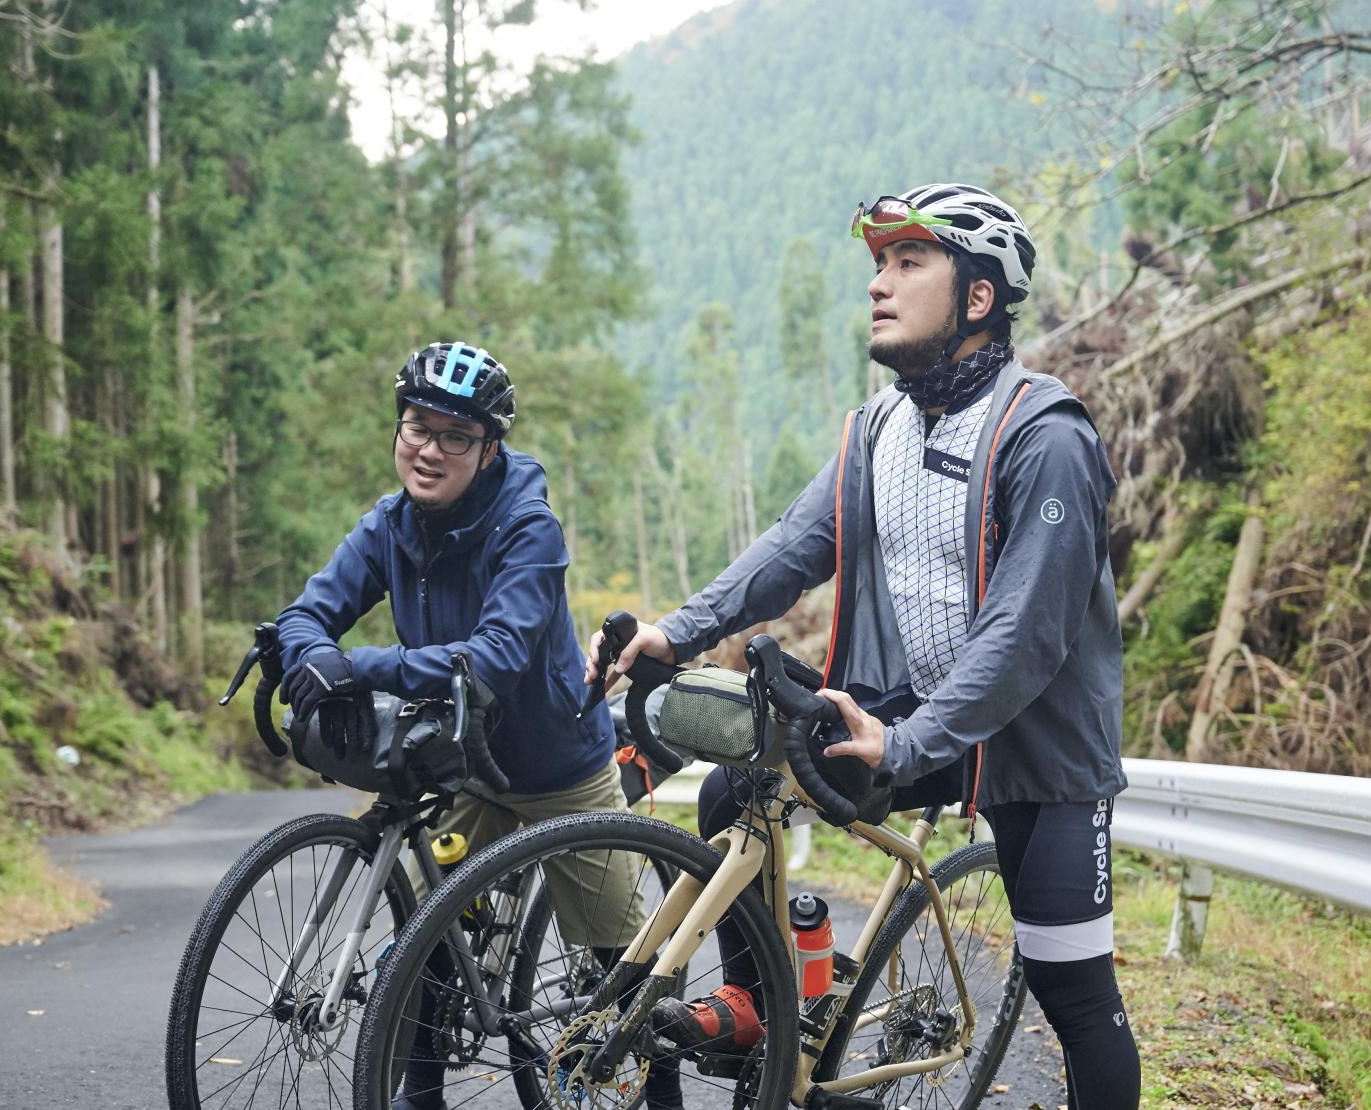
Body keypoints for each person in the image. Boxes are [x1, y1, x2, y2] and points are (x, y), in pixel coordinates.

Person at [588, 185, 1142, 1109]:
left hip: (1039, 752)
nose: (879, 284)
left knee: (1074, 995)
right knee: (738, 787)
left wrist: (910, 743)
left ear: (976, 296)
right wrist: (675, 630)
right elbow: (791, 548)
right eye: (877, 264)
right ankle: (765, 1004)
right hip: (912, 713)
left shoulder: (1045, 436)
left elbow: (1023, 633)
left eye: (908, 262)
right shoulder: (876, 426)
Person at [275, 341, 679, 1110]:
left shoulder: (527, 527)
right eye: (415, 427)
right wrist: (310, 652)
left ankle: (665, 1096)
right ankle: (418, 1095)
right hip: (455, 758)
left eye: (454, 436)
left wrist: (357, 666)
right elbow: (305, 614)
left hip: (554, 764)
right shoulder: (389, 526)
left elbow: (492, 659)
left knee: (621, 960)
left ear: (490, 448)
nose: (427, 450)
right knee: (431, 935)